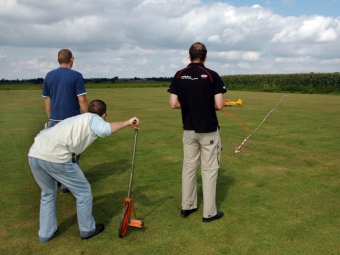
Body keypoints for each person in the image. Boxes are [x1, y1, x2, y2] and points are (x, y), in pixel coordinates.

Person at [28, 100, 140, 242]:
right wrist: (128, 122)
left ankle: (45, 234)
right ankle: (87, 230)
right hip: (56, 157)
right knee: (84, 192)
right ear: (104, 115)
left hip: (34, 153)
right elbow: (105, 130)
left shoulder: (76, 118)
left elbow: (45, 130)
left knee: (48, 193)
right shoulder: (94, 119)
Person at [167, 42, 227, 223]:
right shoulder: (212, 75)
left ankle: (187, 206)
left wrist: (191, 105)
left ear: (189, 56)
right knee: (209, 170)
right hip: (208, 130)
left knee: (189, 167)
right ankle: (209, 213)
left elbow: (173, 104)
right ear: (205, 57)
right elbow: (219, 105)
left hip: (189, 129)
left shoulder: (179, 75)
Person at [42, 49, 88, 193]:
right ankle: (67, 184)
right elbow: (82, 99)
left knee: (56, 152)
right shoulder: (76, 76)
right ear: (71, 59)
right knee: (73, 153)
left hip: (55, 120)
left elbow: (47, 99)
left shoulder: (49, 76)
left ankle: (56, 180)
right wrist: (88, 116)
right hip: (72, 121)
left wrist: (50, 117)